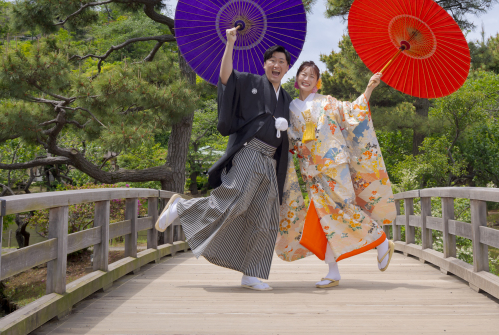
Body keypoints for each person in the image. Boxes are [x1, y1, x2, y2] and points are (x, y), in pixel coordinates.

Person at [156, 26, 293, 291]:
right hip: (249, 153)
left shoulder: (286, 98)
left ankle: (251, 274)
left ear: (287, 67)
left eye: (281, 62)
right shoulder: (251, 83)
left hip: (271, 162)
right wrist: (230, 44)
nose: (276, 65)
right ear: (264, 64)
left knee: (265, 217)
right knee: (231, 201)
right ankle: (181, 208)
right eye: (272, 60)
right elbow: (226, 78)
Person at [275, 60, 396, 288]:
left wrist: (369, 88)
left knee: (343, 207)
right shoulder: (290, 107)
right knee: (324, 218)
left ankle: (380, 240)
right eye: (303, 74)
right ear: (297, 78)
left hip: (333, 163)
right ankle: (333, 272)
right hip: (311, 170)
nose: (306, 78)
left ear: (316, 83)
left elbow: (352, 112)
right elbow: (291, 138)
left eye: (312, 76)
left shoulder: (327, 102)